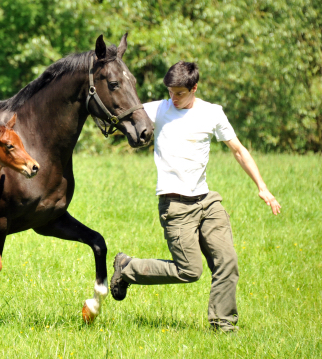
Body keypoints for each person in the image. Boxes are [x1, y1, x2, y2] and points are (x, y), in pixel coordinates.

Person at [110, 61, 281, 332]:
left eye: (180, 93)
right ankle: (128, 268)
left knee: (227, 263)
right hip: (175, 204)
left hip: (206, 200)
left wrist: (262, 187)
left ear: (194, 88)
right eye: (170, 92)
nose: (173, 98)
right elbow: (120, 111)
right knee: (189, 271)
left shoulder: (212, 113)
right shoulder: (159, 109)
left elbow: (238, 150)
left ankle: (223, 325)